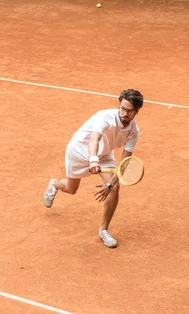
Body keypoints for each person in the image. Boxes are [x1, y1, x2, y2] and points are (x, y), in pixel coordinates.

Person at [43, 89, 144, 248]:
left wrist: (110, 185)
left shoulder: (133, 131)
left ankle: (104, 230)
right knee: (71, 188)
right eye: (122, 108)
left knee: (115, 187)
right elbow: (94, 140)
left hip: (104, 154)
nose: (124, 113)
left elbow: (125, 161)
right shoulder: (104, 117)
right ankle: (54, 184)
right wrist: (93, 160)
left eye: (129, 111)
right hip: (78, 152)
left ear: (137, 111)